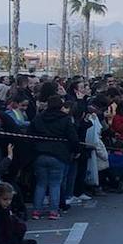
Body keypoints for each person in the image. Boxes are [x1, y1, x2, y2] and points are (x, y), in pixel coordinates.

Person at [28, 92, 78, 220]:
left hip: (40, 154)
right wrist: (75, 150)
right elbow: (73, 137)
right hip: (59, 154)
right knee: (55, 184)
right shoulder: (65, 119)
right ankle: (53, 211)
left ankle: (36, 211)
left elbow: (29, 134)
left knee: (41, 184)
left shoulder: (39, 118)